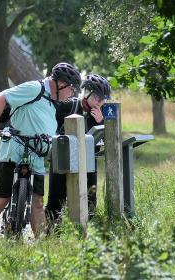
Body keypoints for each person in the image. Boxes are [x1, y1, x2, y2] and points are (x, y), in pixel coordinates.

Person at [0, 62, 81, 237]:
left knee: (38, 203)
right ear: (61, 83)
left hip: (36, 156)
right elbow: (1, 97)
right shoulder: (35, 89)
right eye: (72, 89)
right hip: (12, 150)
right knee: (1, 198)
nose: (72, 94)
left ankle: (41, 246)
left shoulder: (52, 102)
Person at [45, 73, 111, 226]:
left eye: (103, 99)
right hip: (61, 159)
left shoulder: (105, 111)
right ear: (86, 92)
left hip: (88, 161)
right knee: (55, 200)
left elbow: (112, 141)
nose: (99, 102)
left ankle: (89, 233)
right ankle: (50, 234)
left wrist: (101, 121)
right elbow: (47, 121)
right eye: (96, 97)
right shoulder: (69, 105)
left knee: (90, 200)